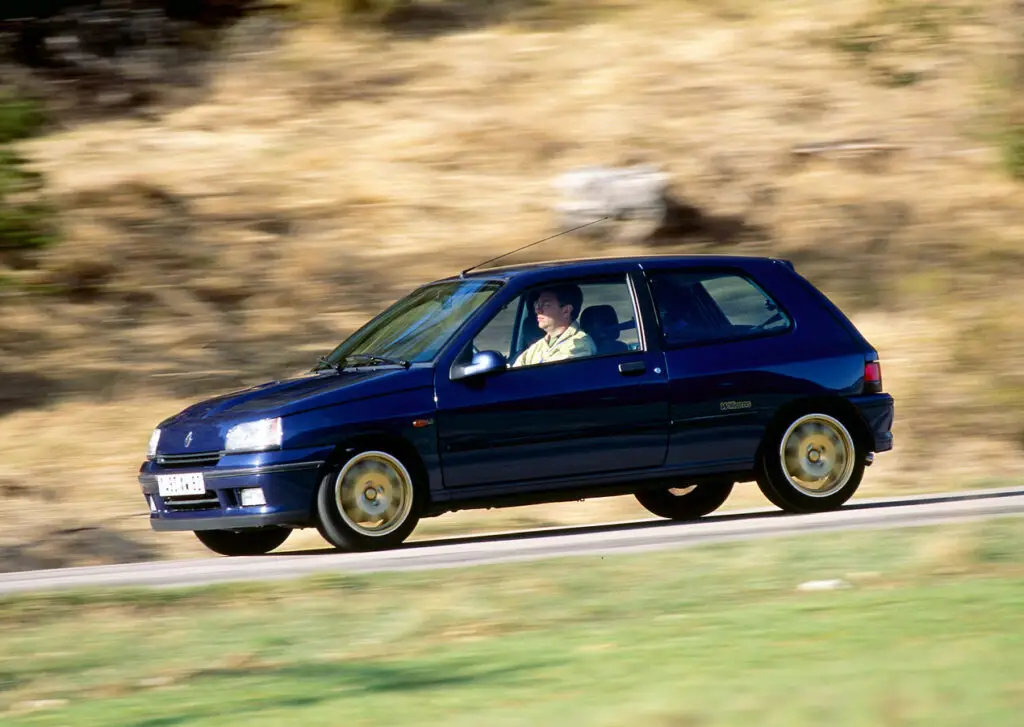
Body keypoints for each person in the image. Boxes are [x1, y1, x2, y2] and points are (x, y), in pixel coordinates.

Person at [511, 284, 597, 367]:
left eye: (546, 305)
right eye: (537, 304)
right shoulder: (540, 345)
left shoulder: (579, 345)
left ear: (566, 311)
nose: (538, 310)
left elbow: (552, 376)